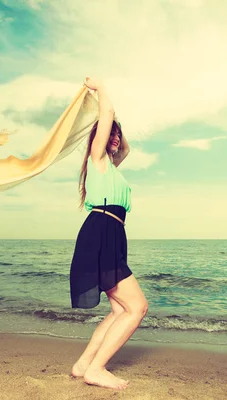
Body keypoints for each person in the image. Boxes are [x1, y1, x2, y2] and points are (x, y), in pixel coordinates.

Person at [69, 77, 148, 390]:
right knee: (137, 307)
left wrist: (118, 130)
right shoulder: (97, 160)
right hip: (101, 231)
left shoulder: (113, 166)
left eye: (116, 134)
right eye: (109, 133)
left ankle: (84, 363)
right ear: (98, 140)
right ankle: (97, 369)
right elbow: (106, 118)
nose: (115, 138)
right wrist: (101, 90)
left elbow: (126, 146)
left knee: (119, 309)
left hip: (111, 234)